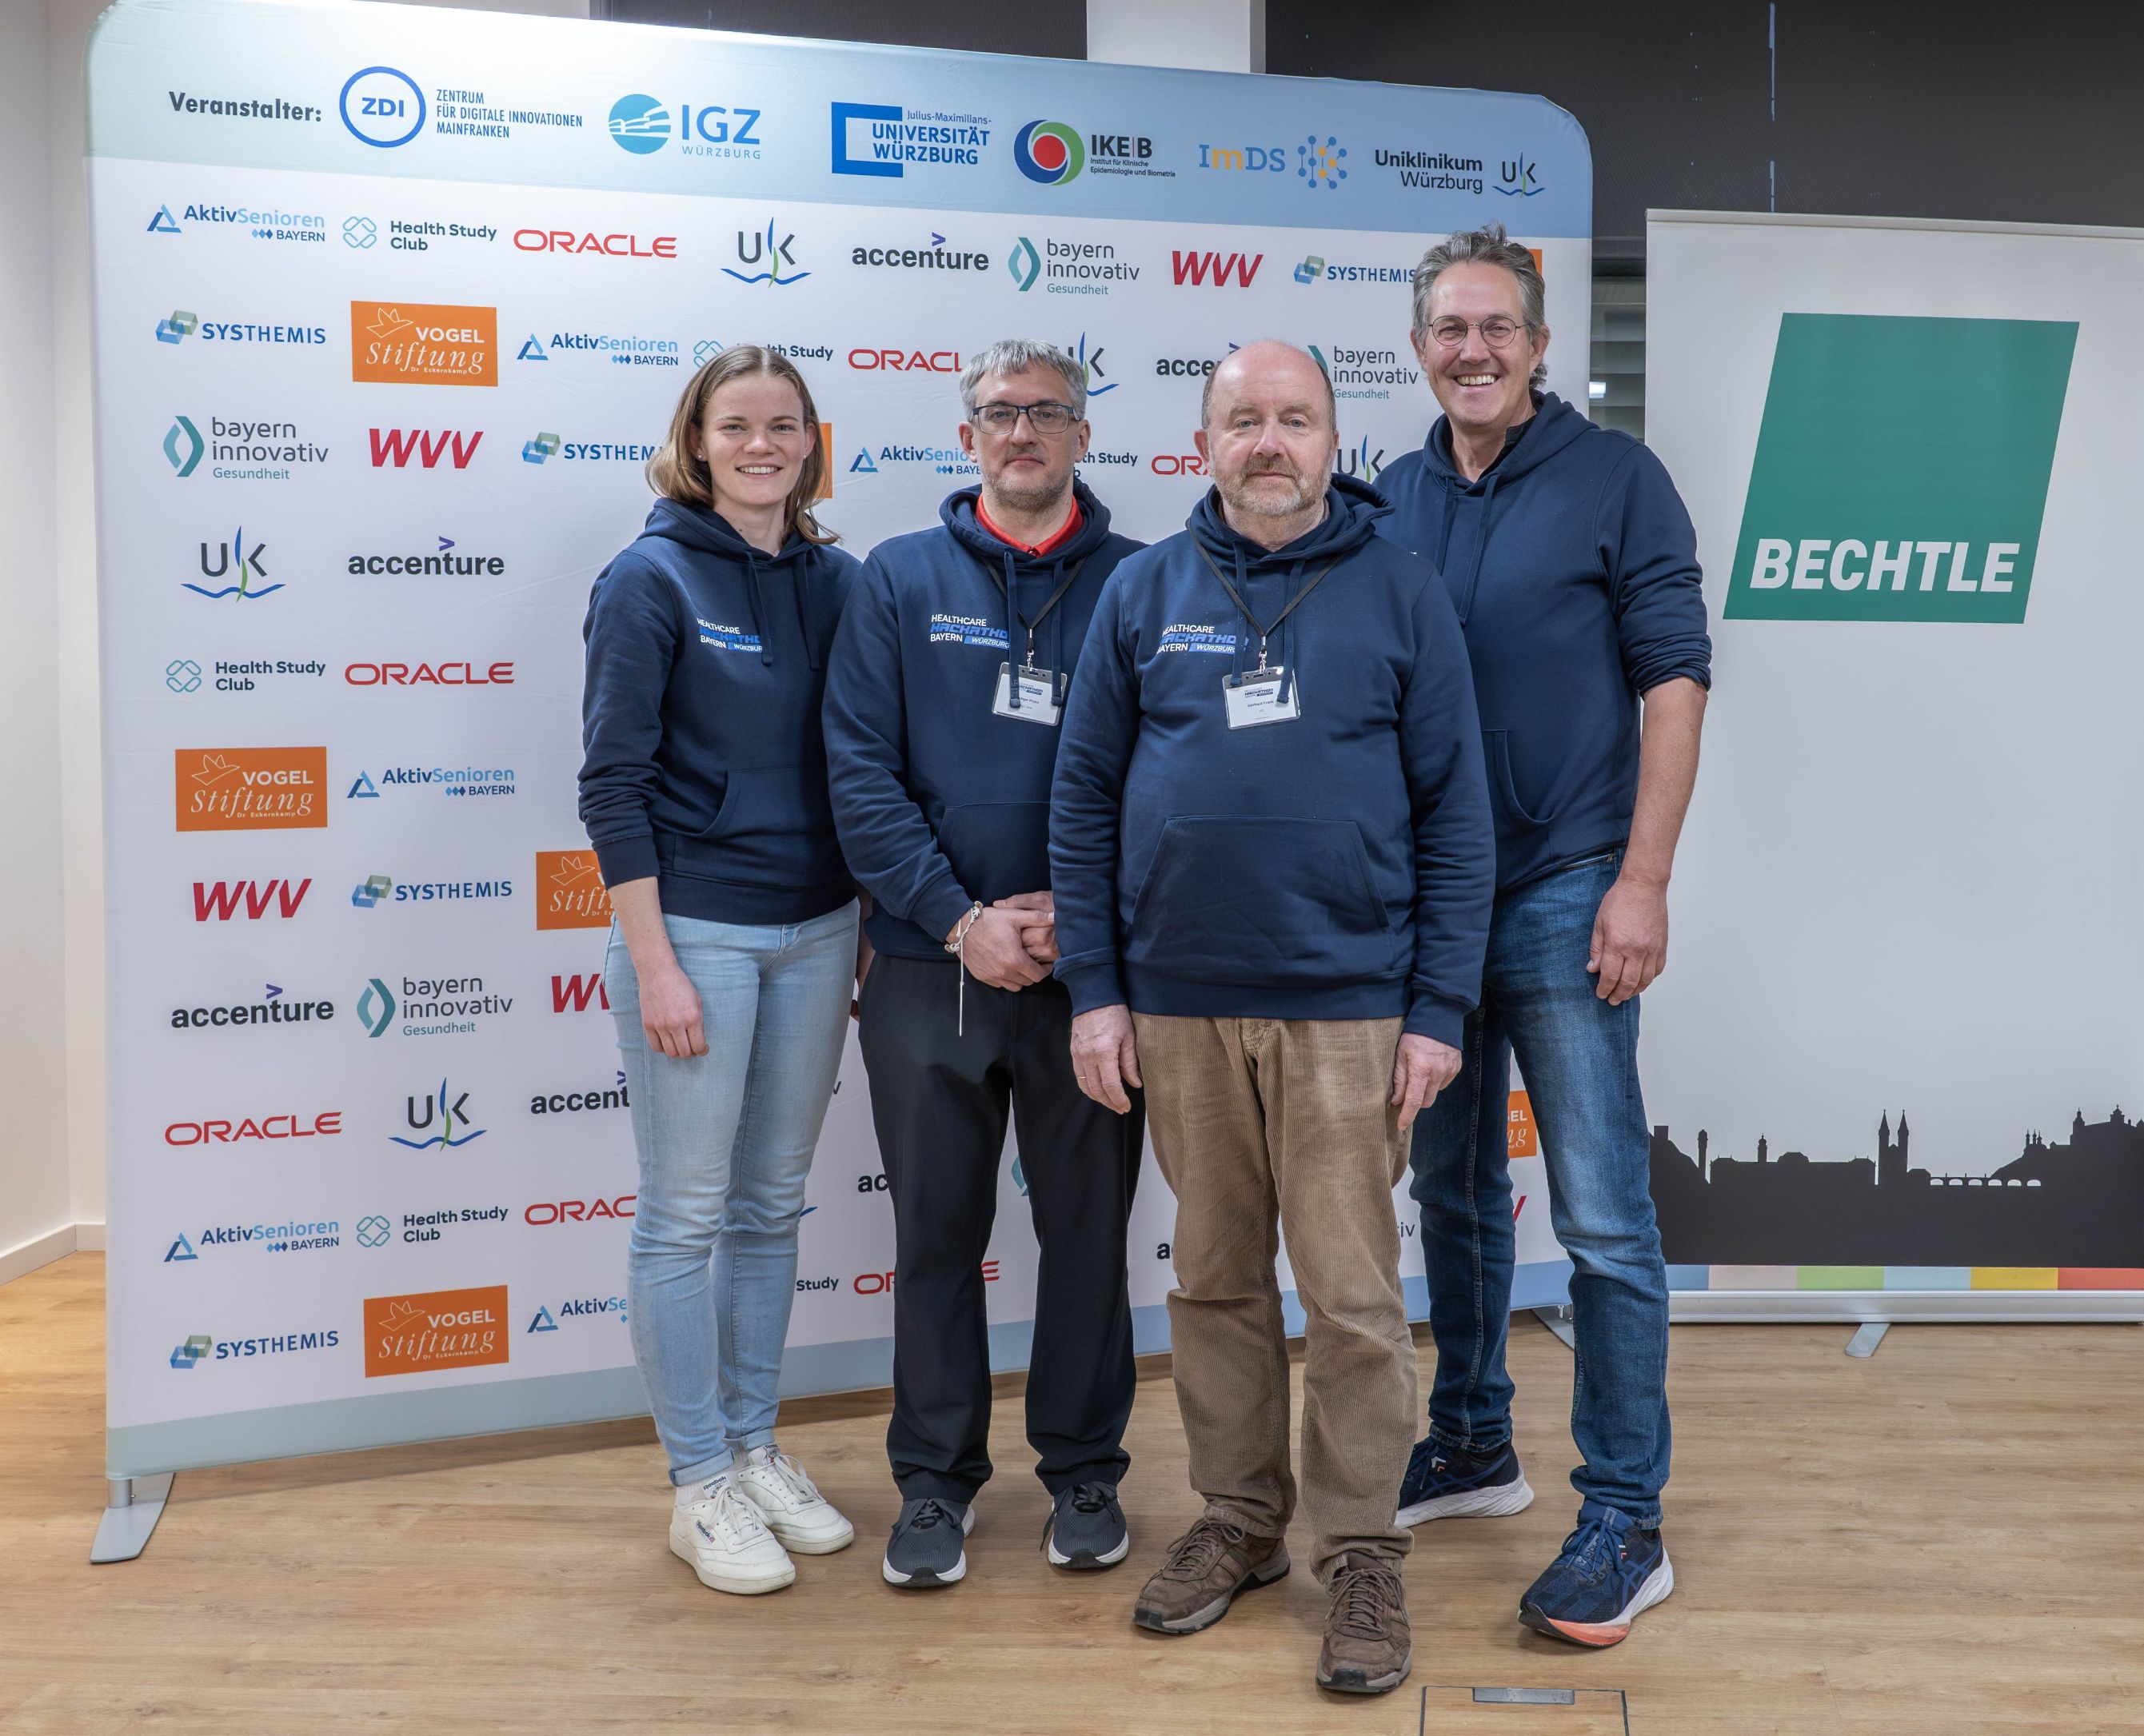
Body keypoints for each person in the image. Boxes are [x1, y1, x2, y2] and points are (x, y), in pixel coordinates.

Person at [1049, 341, 1495, 1696]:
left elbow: (1457, 818)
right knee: (1212, 1284)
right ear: (1202, 440)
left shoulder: (1401, 591)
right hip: (1179, 1006)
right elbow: (1079, 805)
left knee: (1355, 1300)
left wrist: (1436, 1010)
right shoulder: (1140, 592)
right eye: (1243, 420)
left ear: (1331, 438)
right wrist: (1095, 990)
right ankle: (1240, 1519)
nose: (1269, 443)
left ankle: (1359, 1549)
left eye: (1293, 419)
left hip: (1352, 1009)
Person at [1375, 222, 1711, 1647]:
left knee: (1601, 1221)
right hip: (1427, 910)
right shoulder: (1385, 495)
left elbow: (1675, 682)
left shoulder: (1616, 481)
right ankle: (1470, 1440)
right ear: (1417, 346)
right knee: (1449, 1196)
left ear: (1538, 341)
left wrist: (1642, 879)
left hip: (1570, 885)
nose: (1471, 349)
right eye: (1449, 328)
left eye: (1495, 327)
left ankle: (1625, 1517)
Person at [823, 339, 1148, 1590]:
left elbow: (1159, 778)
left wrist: (1084, 913)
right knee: (934, 1241)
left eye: (1048, 413)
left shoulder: (1137, 582)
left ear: (1080, 434)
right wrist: (960, 919)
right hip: (924, 967)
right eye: (1000, 414)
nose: (1023, 432)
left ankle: (1083, 1474)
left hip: (1088, 977)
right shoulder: (894, 580)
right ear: (966, 438)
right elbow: (857, 770)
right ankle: (933, 1485)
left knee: (1086, 1239)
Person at [578, 346, 864, 1597]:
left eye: (782, 425)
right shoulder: (645, 580)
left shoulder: (840, 580)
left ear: (811, 442)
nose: (761, 445)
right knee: (683, 1214)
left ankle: (751, 1449)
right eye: (735, 425)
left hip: (817, 932)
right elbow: (610, 784)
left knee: (769, 1205)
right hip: (692, 932)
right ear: (695, 441)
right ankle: (696, 1479)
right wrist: (654, 964)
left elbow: (865, 761)